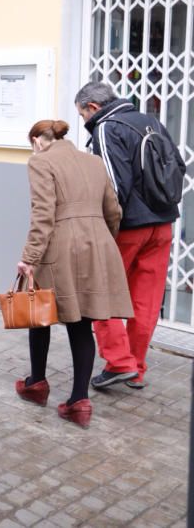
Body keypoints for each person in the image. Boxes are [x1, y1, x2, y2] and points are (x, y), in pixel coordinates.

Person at [15, 120, 133, 428]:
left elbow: (43, 213)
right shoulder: (94, 161)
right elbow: (114, 210)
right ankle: (79, 401)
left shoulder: (40, 161)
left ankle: (36, 384)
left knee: (39, 310)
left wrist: (28, 258)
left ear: (38, 140)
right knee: (83, 322)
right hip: (97, 243)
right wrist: (100, 239)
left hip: (60, 246)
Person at [76, 81, 186, 390]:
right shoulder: (150, 120)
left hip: (129, 227)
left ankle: (119, 363)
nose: (83, 121)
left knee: (102, 291)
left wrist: (104, 228)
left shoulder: (106, 128)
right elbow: (178, 166)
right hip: (162, 224)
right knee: (146, 300)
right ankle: (136, 368)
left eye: (82, 114)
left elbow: (113, 185)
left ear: (93, 108)